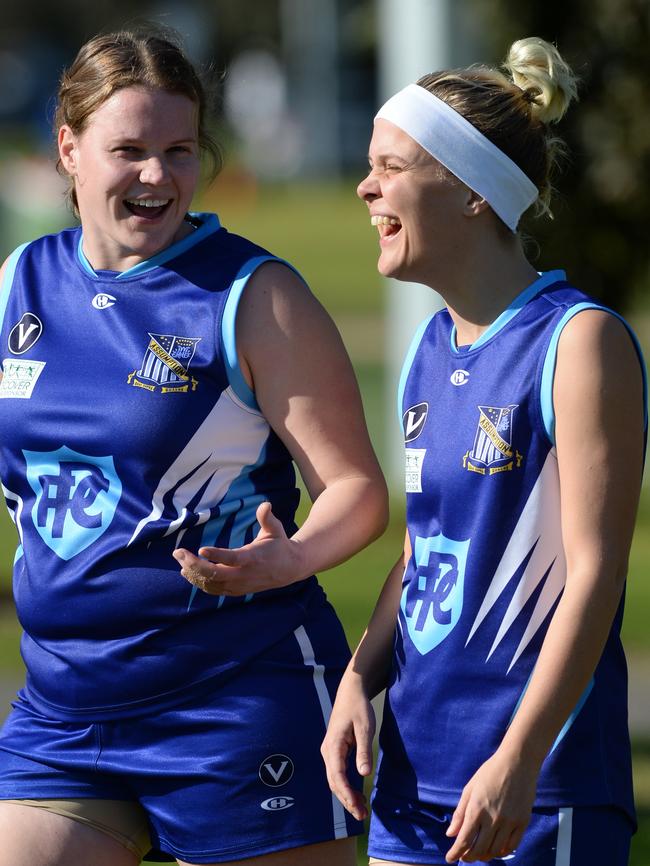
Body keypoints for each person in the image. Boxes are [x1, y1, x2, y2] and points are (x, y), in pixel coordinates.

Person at [0, 26, 388, 866]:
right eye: (129, 149)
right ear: (67, 148)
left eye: (178, 151)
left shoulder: (253, 294)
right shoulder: (18, 282)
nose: (156, 176)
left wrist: (293, 559)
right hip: (64, 710)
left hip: (237, 697)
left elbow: (357, 489)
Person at [321, 36, 646, 866]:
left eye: (391, 167)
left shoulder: (578, 343)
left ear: (472, 192)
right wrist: (361, 677)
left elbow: (595, 573)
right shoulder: (431, 347)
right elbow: (425, 547)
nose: (365, 187)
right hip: (412, 783)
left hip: (537, 791)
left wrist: (521, 760)